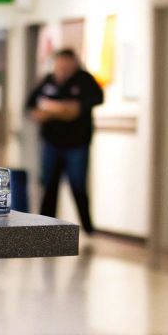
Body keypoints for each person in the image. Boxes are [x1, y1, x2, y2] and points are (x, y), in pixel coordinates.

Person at [25, 48, 103, 234]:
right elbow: (31, 105)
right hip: (51, 143)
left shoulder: (84, 80)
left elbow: (95, 100)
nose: (63, 66)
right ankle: (44, 225)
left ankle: (88, 227)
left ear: (74, 63)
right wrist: (54, 111)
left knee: (78, 185)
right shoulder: (49, 80)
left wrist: (65, 109)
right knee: (49, 184)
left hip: (76, 144)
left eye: (67, 63)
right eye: (60, 62)